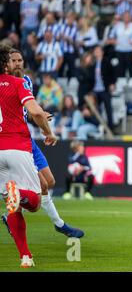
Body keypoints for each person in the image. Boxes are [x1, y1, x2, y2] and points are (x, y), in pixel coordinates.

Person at [2, 49, 84, 241]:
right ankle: (59, 224)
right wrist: (46, 129)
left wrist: (40, 114)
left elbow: (27, 109)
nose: (18, 63)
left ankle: (10, 215)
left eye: (20, 60)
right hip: (12, 141)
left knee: (50, 181)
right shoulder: (5, 83)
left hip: (26, 138)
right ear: (6, 64)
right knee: (42, 186)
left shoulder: (26, 82)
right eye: (13, 60)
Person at [0, 43, 57, 268]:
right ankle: (20, 192)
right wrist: (48, 132)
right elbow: (34, 111)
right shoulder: (18, 83)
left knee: (12, 206)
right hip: (17, 147)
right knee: (32, 201)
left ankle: (25, 256)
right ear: (6, 64)